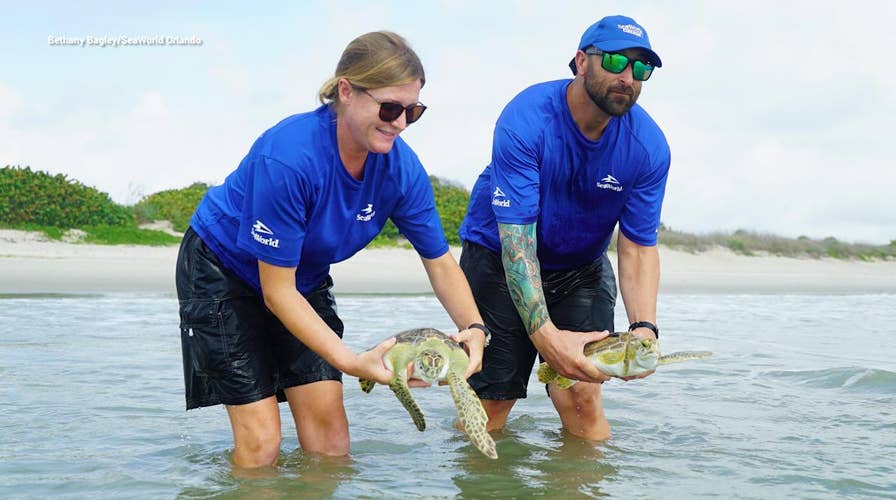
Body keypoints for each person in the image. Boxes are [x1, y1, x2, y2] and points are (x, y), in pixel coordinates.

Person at [176, 31, 489, 468]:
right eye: (390, 108)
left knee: (331, 445)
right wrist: (353, 362)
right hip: (222, 269)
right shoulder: (289, 158)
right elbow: (276, 292)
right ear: (346, 91)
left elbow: (439, 262)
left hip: (303, 276)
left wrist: (474, 327)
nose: (400, 123)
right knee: (262, 444)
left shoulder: (401, 169)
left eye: (413, 111)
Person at [458, 15, 670, 440]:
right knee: (493, 401)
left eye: (641, 68)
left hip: (580, 268)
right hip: (500, 257)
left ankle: (585, 476)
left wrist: (644, 329)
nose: (628, 77)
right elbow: (517, 244)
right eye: (615, 61)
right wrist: (547, 338)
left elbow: (637, 247)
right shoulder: (527, 119)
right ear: (581, 61)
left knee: (581, 393)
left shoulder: (648, 147)